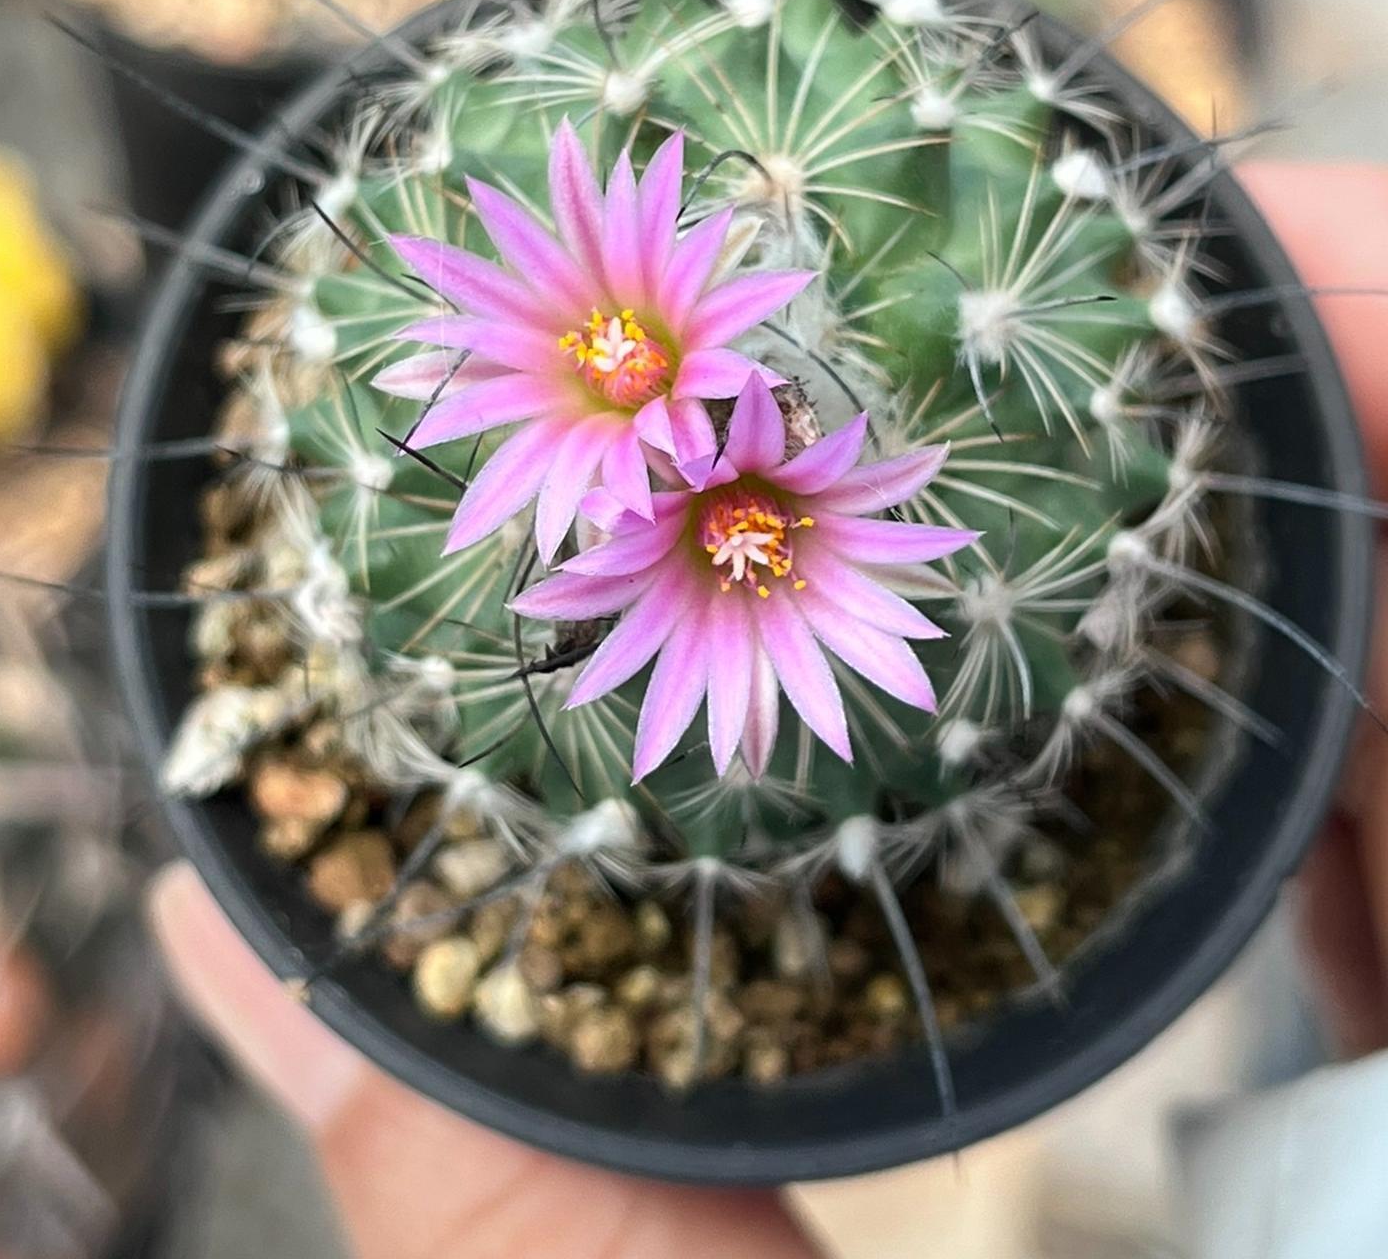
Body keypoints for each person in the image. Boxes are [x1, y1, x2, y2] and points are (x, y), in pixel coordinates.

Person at [150, 164, 1388, 1259]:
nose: (623, 367)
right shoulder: (623, 442)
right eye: (611, 367)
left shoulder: (776, 497)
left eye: (631, 371)